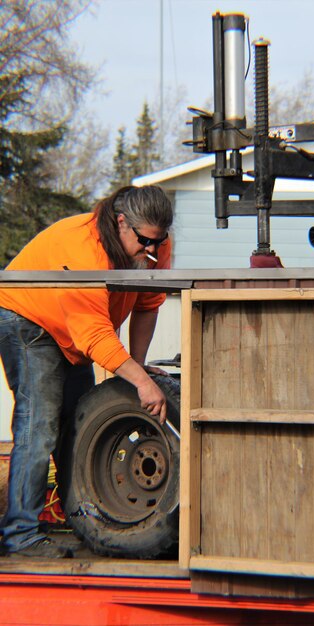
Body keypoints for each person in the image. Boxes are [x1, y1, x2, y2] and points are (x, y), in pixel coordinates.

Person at [0, 185, 173, 558]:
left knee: (79, 423)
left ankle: (84, 519)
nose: (154, 252)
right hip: (27, 319)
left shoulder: (152, 243)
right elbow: (95, 335)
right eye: (145, 241)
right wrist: (141, 383)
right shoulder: (83, 249)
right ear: (121, 222)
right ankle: (20, 534)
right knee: (40, 425)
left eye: (160, 242)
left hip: (72, 329)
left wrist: (138, 365)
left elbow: (148, 303)